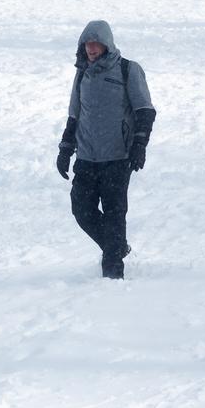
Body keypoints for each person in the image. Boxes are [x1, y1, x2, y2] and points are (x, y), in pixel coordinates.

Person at [55, 21, 156, 281]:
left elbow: (145, 110)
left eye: (95, 43)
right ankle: (117, 247)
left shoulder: (127, 70)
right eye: (87, 44)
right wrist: (65, 150)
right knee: (81, 210)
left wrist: (139, 145)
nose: (90, 48)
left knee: (114, 213)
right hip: (87, 157)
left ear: (106, 44)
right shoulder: (82, 74)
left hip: (117, 157)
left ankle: (112, 275)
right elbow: (74, 116)